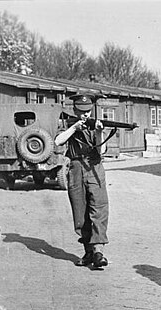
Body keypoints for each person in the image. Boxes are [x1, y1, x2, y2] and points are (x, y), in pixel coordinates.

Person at [54, 94, 109, 268]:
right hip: (76, 168)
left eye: (88, 111)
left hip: (94, 166)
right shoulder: (68, 125)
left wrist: (99, 132)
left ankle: (98, 251)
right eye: (81, 111)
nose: (85, 115)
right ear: (75, 110)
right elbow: (57, 141)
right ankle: (88, 252)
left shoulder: (94, 125)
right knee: (80, 210)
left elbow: (102, 151)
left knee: (99, 207)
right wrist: (74, 129)